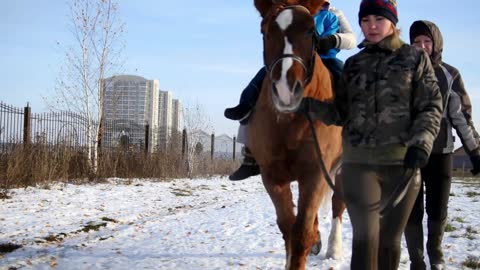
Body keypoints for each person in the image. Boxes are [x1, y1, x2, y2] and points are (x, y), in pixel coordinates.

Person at [328, 0, 443, 269]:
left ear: (392, 22)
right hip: (359, 165)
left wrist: (422, 144)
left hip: (402, 166)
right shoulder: (354, 64)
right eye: (365, 21)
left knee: (389, 244)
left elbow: (430, 105)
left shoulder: (415, 59)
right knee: (366, 239)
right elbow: (339, 112)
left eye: (378, 19)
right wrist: (306, 105)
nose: (371, 26)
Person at [225, 0, 356, 181]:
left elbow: (351, 39)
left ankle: (353, 132)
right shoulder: (293, 10)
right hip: (296, 61)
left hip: (326, 59)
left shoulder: (335, 14)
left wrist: (332, 40)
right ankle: (249, 148)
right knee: (259, 81)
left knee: (345, 80)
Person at [405, 20, 480, 270]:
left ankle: (435, 256)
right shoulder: (401, 72)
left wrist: (475, 151)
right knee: (411, 213)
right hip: (409, 155)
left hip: (441, 153)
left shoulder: (449, 74)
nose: (422, 47)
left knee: (437, 211)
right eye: (416, 42)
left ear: (436, 44)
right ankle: (417, 261)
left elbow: (461, 116)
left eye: (427, 41)